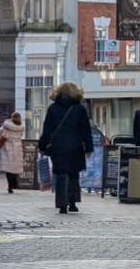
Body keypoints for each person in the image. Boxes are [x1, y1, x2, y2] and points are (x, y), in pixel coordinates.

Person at [39, 82, 94, 214]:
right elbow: (85, 130)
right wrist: (88, 147)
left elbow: (47, 129)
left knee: (61, 173)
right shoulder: (79, 109)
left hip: (58, 146)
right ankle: (73, 202)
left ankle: (62, 204)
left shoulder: (53, 108)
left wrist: (42, 145)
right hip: (75, 145)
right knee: (73, 173)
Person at [0, 111, 26, 193]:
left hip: (7, 148)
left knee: (8, 169)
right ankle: (14, 184)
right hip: (17, 148)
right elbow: (21, 136)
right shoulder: (21, 127)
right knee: (15, 167)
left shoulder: (6, 127)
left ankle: (10, 186)